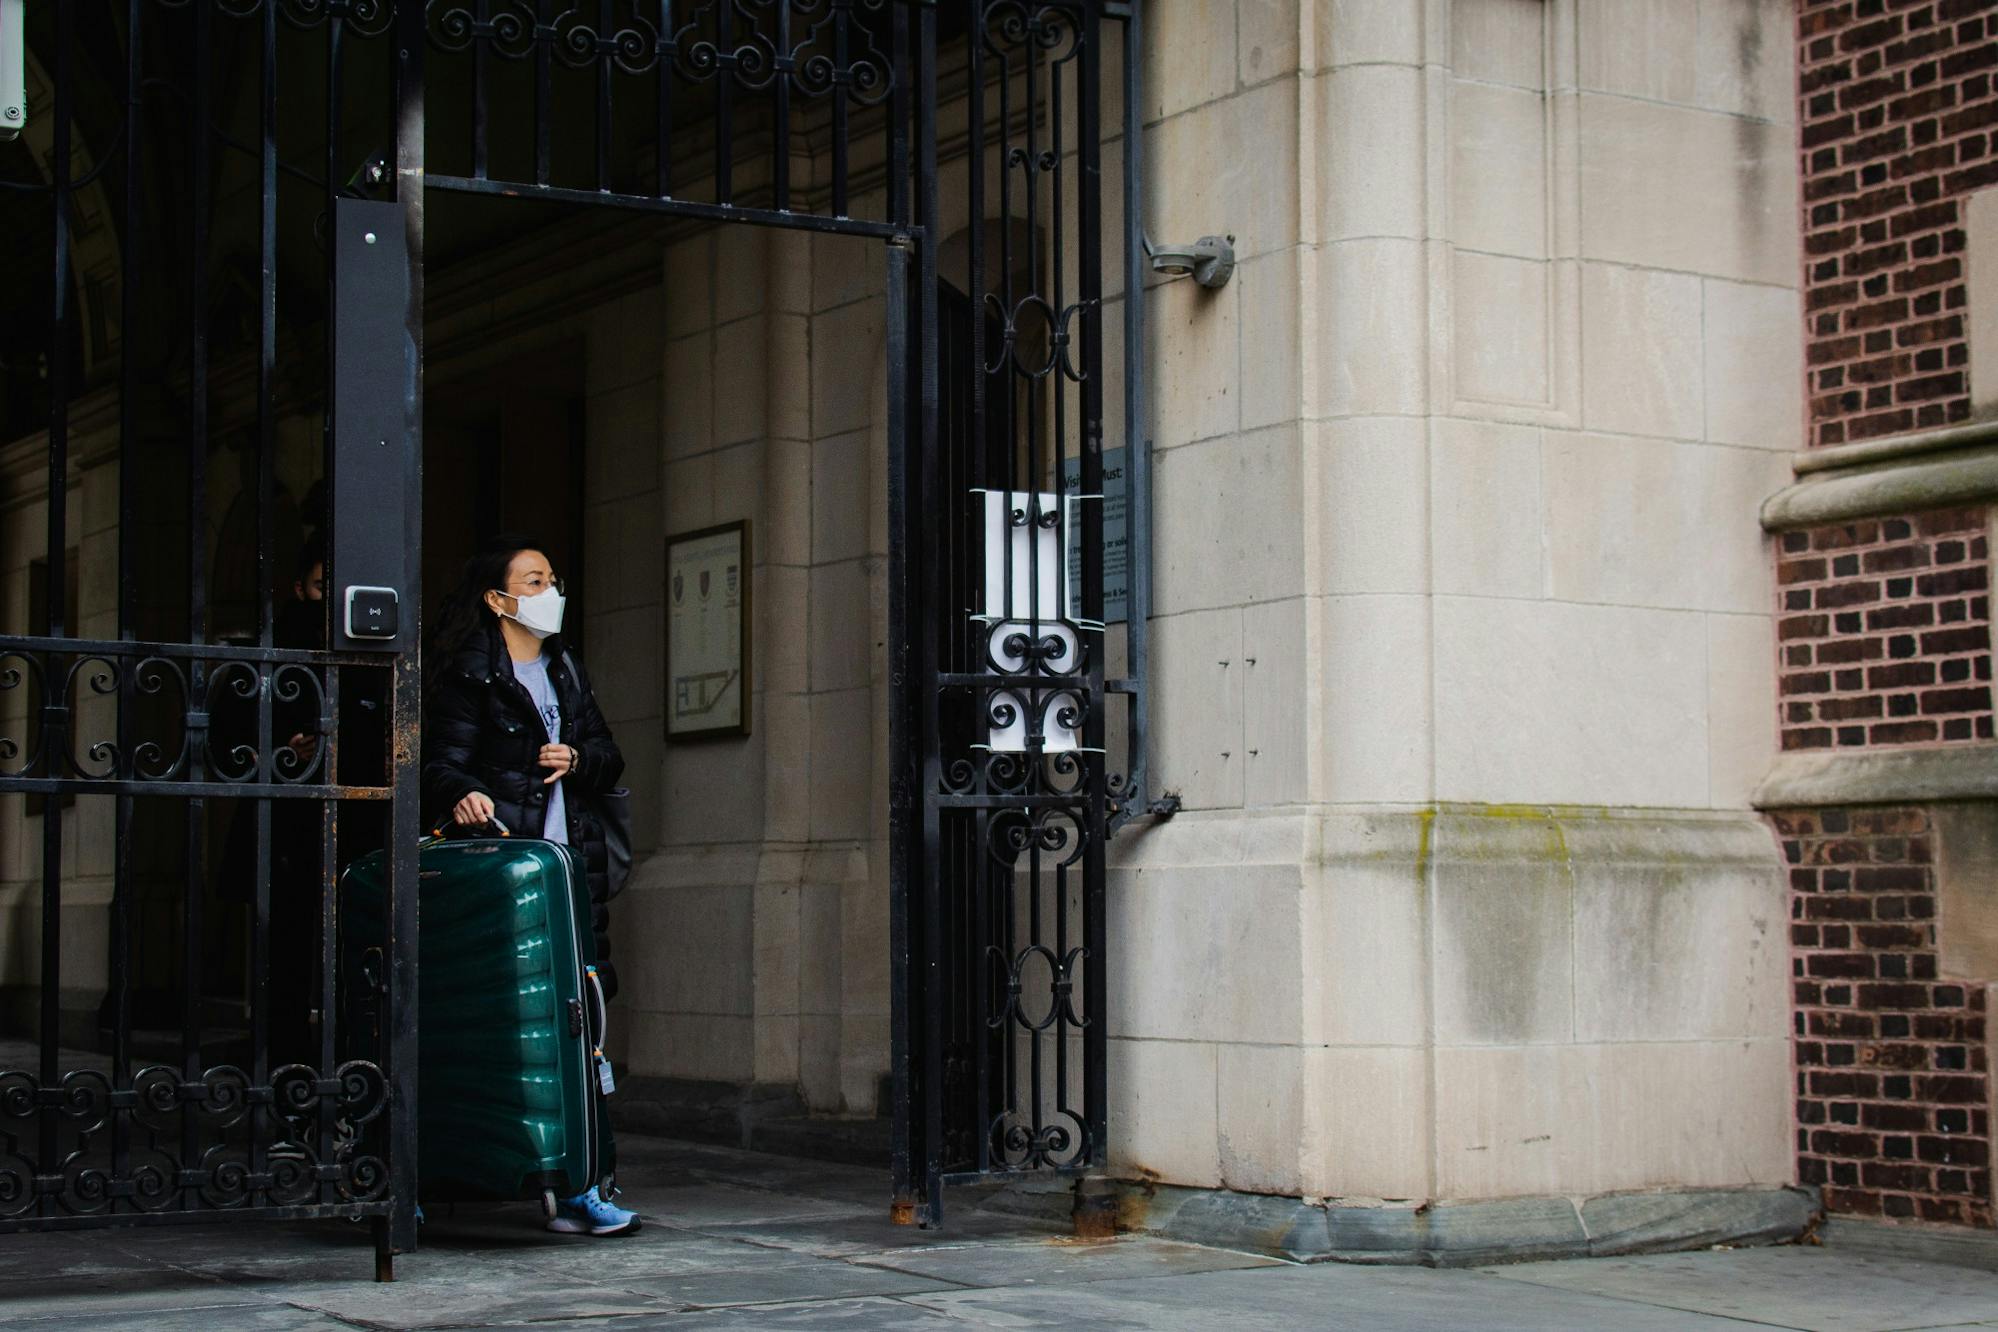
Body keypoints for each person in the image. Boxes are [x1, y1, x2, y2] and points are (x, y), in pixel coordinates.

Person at [420, 536, 637, 1238]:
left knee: (586, 1026)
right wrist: (465, 793)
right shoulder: (467, 675)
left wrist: (577, 757)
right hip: (501, 880)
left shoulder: (565, 669)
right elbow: (436, 764)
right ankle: (441, 1174)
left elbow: (610, 756)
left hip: (568, 873)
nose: (551, 591)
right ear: (498, 598)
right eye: (535, 580)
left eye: (552, 577)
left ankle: (585, 1184)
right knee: (487, 1023)